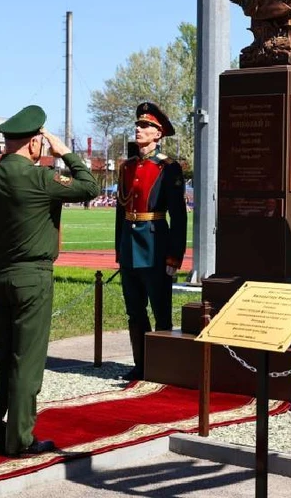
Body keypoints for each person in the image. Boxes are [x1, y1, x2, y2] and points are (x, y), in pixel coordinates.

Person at [0, 105, 99, 457]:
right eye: (41, 141)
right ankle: (20, 439)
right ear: (32, 144)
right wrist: (66, 153)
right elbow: (90, 187)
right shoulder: (41, 178)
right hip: (32, 277)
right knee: (26, 359)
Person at [115, 102, 187, 381]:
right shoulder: (127, 167)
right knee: (134, 312)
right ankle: (141, 364)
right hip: (130, 248)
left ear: (158, 134)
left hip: (155, 244)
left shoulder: (168, 168)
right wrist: (119, 249)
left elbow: (178, 217)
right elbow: (121, 212)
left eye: (145, 126)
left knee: (161, 311)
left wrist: (174, 257)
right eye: (138, 125)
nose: (139, 129)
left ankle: (163, 365)